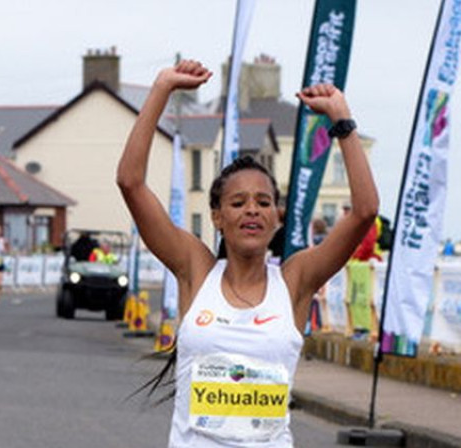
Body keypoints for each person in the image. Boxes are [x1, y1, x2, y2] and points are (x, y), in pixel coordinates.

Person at [117, 60, 378, 447]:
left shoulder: (294, 282)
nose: (252, 209)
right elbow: (130, 182)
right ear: (218, 218)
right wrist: (161, 89)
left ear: (277, 216)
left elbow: (364, 212)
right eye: (238, 203)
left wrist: (342, 119)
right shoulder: (196, 270)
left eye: (263, 201)